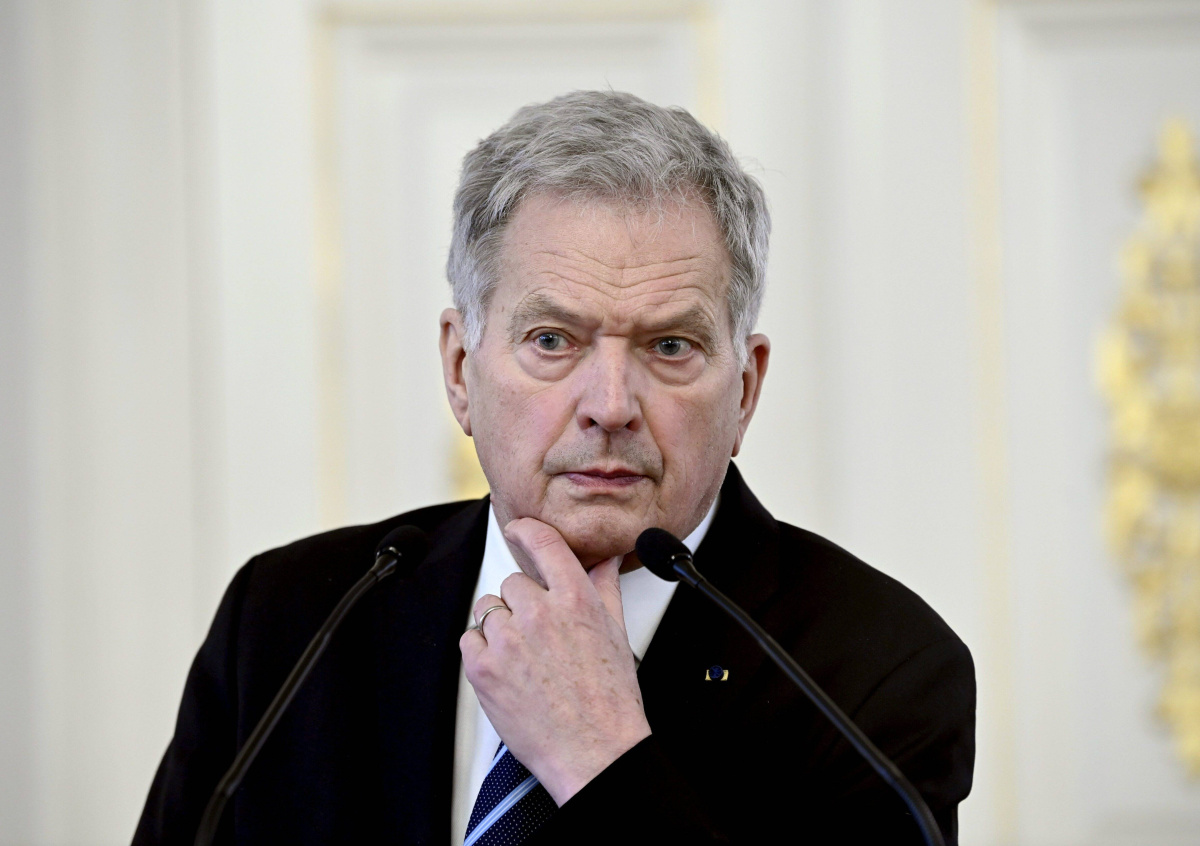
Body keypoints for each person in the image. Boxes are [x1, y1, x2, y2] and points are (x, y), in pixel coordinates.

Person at [133, 91, 975, 846]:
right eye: (551, 340)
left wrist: (601, 757)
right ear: (460, 370)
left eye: (670, 346)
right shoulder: (290, 622)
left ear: (745, 389)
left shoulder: (878, 672)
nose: (610, 404)